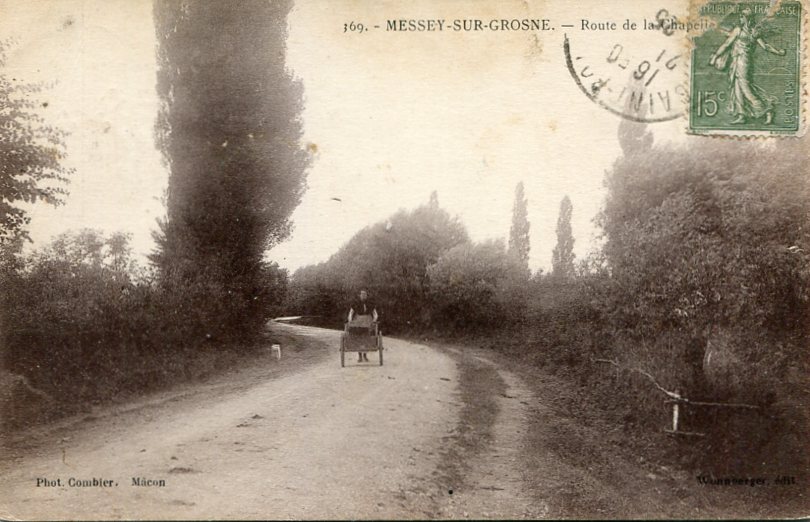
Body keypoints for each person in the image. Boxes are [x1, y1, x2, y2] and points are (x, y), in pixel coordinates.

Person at [708, 7, 786, 125]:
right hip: (740, 60)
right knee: (737, 87)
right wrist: (778, 52)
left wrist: (715, 56)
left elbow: (726, 44)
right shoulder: (753, 31)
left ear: (746, 18)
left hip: (742, 61)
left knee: (745, 87)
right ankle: (741, 115)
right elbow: (765, 46)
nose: (740, 18)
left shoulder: (739, 30)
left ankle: (766, 109)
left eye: (742, 16)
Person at [347, 289, 378, 362]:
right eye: (362, 294)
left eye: (365, 294)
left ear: (367, 296)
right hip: (358, 320)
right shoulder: (355, 303)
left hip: (368, 320)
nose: (363, 296)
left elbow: (375, 314)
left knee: (367, 336)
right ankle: (360, 356)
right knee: (358, 336)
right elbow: (351, 313)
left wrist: (374, 320)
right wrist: (350, 321)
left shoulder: (370, 303)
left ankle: (365, 355)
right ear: (359, 295)